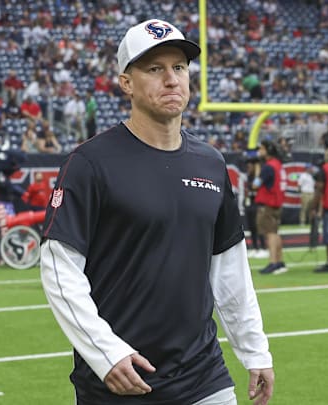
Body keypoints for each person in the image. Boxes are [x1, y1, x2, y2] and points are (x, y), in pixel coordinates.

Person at [40, 19, 274, 405]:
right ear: (126, 83)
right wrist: (106, 353)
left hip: (204, 377)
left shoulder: (211, 163)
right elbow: (59, 267)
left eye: (179, 68)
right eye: (155, 69)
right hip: (119, 381)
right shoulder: (90, 163)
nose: (171, 79)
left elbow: (230, 268)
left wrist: (254, 350)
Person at [254, 139, 287, 275]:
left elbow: (255, 184)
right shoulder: (278, 164)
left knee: (270, 233)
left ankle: (273, 262)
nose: (260, 152)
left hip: (268, 203)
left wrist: (257, 170)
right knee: (275, 232)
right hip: (277, 203)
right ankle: (279, 261)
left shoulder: (268, 167)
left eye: (262, 149)